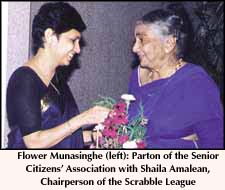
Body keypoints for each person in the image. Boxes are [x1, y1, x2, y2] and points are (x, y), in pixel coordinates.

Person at [6, 2, 109, 149]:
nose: (78, 49)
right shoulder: (24, 80)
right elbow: (34, 141)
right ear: (50, 36)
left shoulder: (57, 79)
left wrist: (95, 137)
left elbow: (59, 134)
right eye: (73, 40)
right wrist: (83, 119)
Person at [128, 3, 224, 149]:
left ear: (168, 44)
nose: (135, 48)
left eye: (142, 40)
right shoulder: (138, 75)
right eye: (135, 41)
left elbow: (214, 144)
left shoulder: (196, 82)